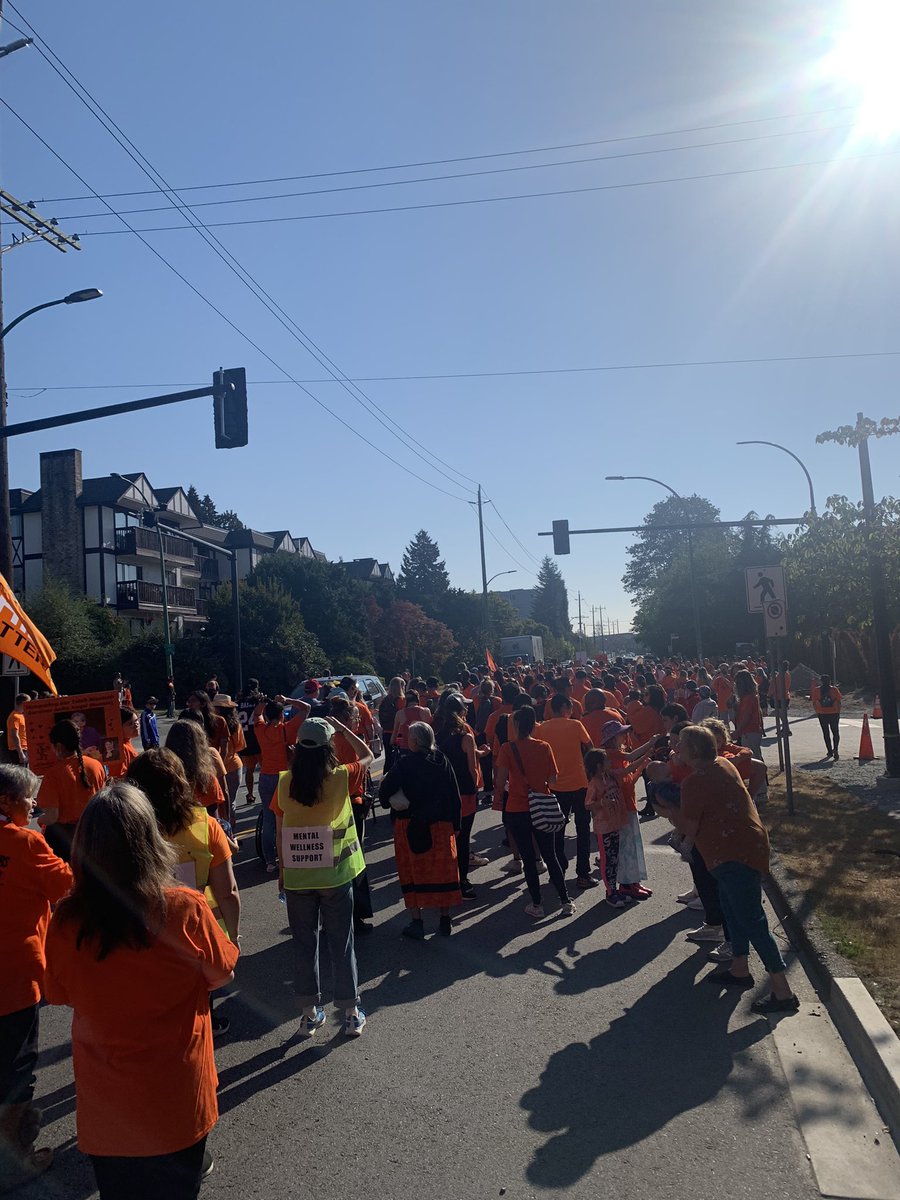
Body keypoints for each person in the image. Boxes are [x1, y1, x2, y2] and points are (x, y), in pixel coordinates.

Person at [44, 784, 239, 1198]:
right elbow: (222, 974)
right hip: (179, 1096)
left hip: (108, 1106)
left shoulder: (65, 919)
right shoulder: (185, 908)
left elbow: (58, 993)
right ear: (150, 841)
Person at [654, 726, 799, 1014]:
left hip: (733, 855)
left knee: (751, 920)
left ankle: (782, 991)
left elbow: (689, 829)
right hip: (744, 848)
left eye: (680, 744)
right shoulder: (723, 764)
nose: (676, 748)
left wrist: (668, 811)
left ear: (693, 750)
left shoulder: (695, 781)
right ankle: (739, 968)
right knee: (731, 910)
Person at [275, 717, 372, 1037]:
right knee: (341, 944)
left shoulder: (284, 781)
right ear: (329, 747)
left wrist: (282, 870)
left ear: (298, 749)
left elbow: (280, 829)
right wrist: (343, 729)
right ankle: (350, 1013)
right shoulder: (341, 777)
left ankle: (308, 1015)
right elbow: (368, 754)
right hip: (335, 875)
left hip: (298, 877)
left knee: (304, 944)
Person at [0, 765, 73, 1189]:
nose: (33, 805)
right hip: (15, 972)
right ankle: (14, 1160)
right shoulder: (26, 842)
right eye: (28, 798)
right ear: (7, 801)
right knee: (16, 1065)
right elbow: (67, 885)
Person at [380, 722, 462, 937]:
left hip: (410, 824)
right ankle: (445, 919)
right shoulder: (442, 761)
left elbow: (385, 791)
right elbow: (454, 793)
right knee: (443, 872)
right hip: (441, 824)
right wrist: (457, 823)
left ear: (414, 741)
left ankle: (417, 922)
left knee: (411, 873)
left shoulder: (404, 764)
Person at [493, 706, 574, 920]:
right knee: (550, 855)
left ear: (517, 725)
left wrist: (514, 784)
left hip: (517, 808)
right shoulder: (544, 747)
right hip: (542, 807)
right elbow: (553, 780)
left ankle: (537, 904)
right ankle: (565, 901)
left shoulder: (507, 749)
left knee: (528, 859)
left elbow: (500, 782)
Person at [536, 694, 597, 890]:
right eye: (570, 708)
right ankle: (583, 874)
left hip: (555, 785)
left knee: (557, 832)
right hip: (579, 783)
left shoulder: (542, 728)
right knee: (583, 830)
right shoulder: (575, 725)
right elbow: (590, 747)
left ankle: (558, 871)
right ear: (564, 708)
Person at [434, 694, 486, 898]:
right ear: (463, 712)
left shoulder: (439, 735)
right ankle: (462, 881)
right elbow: (472, 768)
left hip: (444, 792)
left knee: (449, 836)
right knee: (463, 839)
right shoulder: (466, 736)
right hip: (464, 792)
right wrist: (475, 787)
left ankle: (447, 876)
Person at [597, 720, 655, 900]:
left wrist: (642, 765)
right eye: (622, 734)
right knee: (626, 847)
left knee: (632, 846)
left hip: (629, 806)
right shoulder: (613, 754)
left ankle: (633, 881)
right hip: (621, 808)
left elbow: (630, 779)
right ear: (612, 738)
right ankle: (627, 884)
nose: (626, 736)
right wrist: (650, 743)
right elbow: (630, 760)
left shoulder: (618, 757)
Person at [252, 696, 311, 872]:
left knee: (269, 820)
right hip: (284, 777)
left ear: (268, 716)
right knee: (290, 817)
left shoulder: (260, 729)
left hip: (265, 776)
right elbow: (306, 708)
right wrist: (288, 699)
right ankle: (291, 854)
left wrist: (262, 703)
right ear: (282, 715)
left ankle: (270, 860)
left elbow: (256, 713)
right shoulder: (287, 729)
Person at [37, 720, 106, 862]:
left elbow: (51, 816)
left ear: (59, 746)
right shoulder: (96, 765)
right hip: (92, 832)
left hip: (65, 839)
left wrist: (40, 820)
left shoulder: (53, 774)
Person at [213, 696, 245, 828]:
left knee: (216, 802)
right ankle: (231, 832)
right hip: (233, 765)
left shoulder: (212, 724)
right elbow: (240, 745)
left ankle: (221, 831)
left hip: (215, 766)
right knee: (231, 801)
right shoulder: (235, 725)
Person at [236, 679, 264, 803]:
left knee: (249, 770)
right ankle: (266, 792)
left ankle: (250, 794)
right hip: (258, 738)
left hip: (245, 739)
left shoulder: (238, 703)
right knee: (265, 768)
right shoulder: (257, 701)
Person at [390, 689, 432, 754]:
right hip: (423, 747)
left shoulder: (400, 713)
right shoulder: (426, 711)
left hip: (406, 748)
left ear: (406, 700)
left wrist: (392, 743)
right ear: (417, 699)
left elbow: (395, 733)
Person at [811, 674, 843, 760]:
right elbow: (839, 701)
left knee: (826, 733)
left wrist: (817, 712)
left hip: (822, 713)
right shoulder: (834, 689)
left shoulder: (816, 690)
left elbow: (814, 702)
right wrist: (838, 712)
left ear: (821, 681)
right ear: (830, 681)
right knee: (835, 732)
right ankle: (836, 749)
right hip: (834, 713)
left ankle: (829, 751)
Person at [734, 670, 764, 757]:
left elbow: (747, 716)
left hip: (750, 731)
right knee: (756, 755)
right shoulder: (751, 696)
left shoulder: (748, 698)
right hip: (751, 731)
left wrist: (738, 731)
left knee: (753, 757)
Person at [378, 677, 406, 771]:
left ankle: (386, 780)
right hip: (398, 734)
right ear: (401, 687)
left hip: (386, 733)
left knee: (389, 759)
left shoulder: (385, 700)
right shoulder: (401, 700)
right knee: (399, 759)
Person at [105, 709, 141, 779]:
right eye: (130, 724)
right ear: (118, 728)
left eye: (136, 720)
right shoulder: (119, 748)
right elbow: (117, 777)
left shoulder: (127, 742)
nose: (136, 725)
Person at [6, 693, 29, 766]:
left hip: (23, 748)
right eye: (28, 703)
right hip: (17, 750)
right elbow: (14, 735)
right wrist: (20, 753)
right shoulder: (14, 716)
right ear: (23, 703)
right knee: (21, 774)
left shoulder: (21, 715)